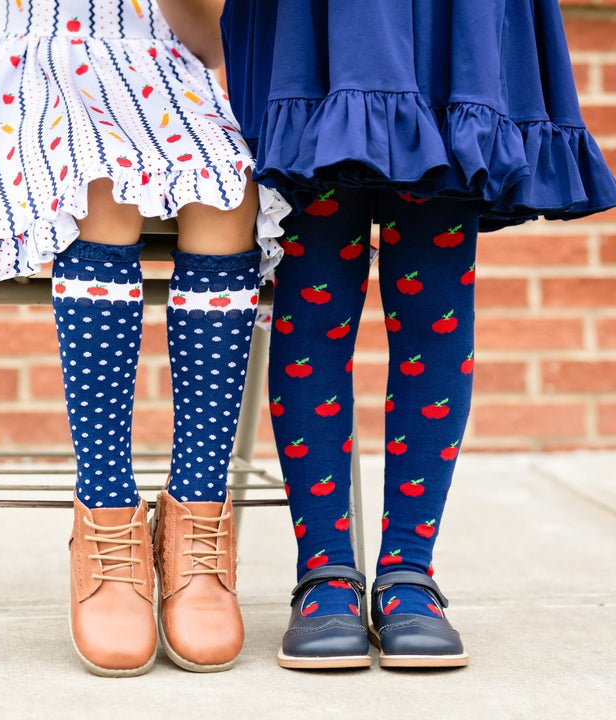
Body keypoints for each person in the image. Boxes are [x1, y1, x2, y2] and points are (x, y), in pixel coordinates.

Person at [220, 0, 616, 669]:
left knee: (434, 309)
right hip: (317, 23)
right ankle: (326, 574)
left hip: (447, 21)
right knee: (313, 304)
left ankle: (409, 571)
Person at [0, 0, 288, 676]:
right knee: (102, 188)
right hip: (41, 74)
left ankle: (196, 514)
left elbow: (207, 42)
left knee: (231, 196)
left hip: (165, 79)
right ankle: (105, 512)